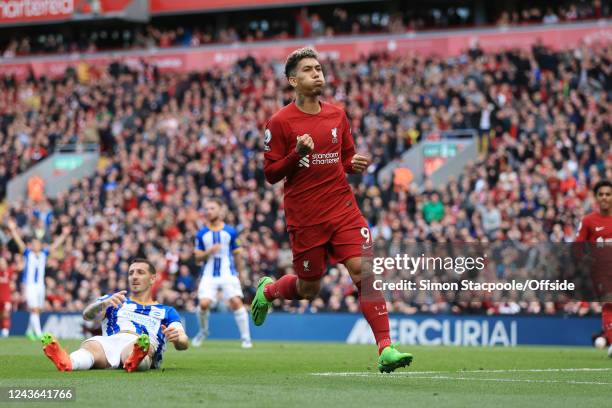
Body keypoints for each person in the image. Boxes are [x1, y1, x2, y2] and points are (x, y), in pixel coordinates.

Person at [251, 47, 412, 373]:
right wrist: (297, 154)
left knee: (364, 273)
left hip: (343, 209)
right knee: (309, 288)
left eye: (319, 68)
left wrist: (354, 164)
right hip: (306, 216)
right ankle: (268, 290)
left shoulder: (337, 114)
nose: (317, 73)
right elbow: (271, 175)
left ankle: (386, 349)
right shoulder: (280, 122)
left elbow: (344, 160)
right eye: (309, 70)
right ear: (293, 80)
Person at [41, 258, 189, 372]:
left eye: (140, 272)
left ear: (152, 279)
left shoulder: (167, 310)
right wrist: (103, 304)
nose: (134, 277)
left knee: (141, 347)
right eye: (131, 273)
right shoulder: (115, 299)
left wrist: (177, 340)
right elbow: (86, 315)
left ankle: (135, 359)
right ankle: (69, 363)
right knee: (91, 345)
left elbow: (183, 341)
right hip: (110, 341)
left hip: (140, 342)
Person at [192, 198, 252, 348]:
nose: (208, 211)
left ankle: (246, 338)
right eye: (206, 209)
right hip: (209, 274)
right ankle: (203, 331)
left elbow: (237, 254)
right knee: (204, 304)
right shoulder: (201, 234)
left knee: (236, 302)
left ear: (220, 210)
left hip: (228, 273)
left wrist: (241, 272)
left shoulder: (230, 231)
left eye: (212, 208)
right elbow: (198, 259)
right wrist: (209, 252)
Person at [7, 219, 69, 340]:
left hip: (40, 286)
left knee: (38, 310)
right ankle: (39, 333)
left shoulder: (43, 254)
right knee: (34, 308)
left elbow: (55, 245)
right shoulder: (27, 253)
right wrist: (13, 230)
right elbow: (19, 242)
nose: (35, 245)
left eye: (37, 244)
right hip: (30, 285)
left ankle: (29, 331)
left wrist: (64, 234)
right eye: (33, 243)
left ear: (40, 245)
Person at [575, 180, 612, 357]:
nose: (604, 197)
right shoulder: (589, 221)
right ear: (596, 197)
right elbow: (577, 246)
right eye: (601, 194)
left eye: (608, 194)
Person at [0, 258, 13, 337]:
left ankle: (5, 331)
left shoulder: (9, 271)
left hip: (6, 298)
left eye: (3, 263)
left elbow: (19, 267)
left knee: (6, 314)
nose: (2, 264)